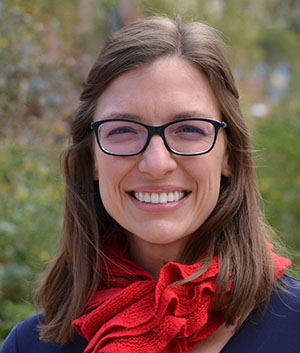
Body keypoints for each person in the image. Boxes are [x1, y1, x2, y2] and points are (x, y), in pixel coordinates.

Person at [1, 16, 300, 353]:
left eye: (189, 129)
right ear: (93, 160)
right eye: (123, 130)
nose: (157, 164)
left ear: (228, 155)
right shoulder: (29, 346)